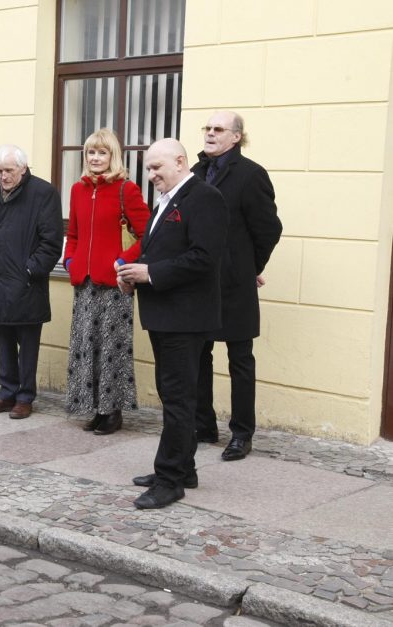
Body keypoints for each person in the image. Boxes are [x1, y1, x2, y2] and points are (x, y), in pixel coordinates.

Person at [116, 138, 227, 510]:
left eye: (156, 168)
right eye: (148, 169)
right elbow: (157, 250)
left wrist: (151, 273)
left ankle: (169, 480)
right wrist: (134, 274)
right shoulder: (168, 199)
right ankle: (185, 467)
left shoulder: (204, 197)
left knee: (178, 400)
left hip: (186, 317)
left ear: (179, 162)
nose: (151, 176)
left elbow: (203, 258)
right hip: (166, 314)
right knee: (174, 396)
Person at [192, 111, 282, 461]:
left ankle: (242, 434)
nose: (211, 134)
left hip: (234, 286)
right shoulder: (197, 173)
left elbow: (268, 229)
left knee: (240, 360)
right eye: (208, 128)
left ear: (236, 137)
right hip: (199, 284)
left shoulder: (250, 174)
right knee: (199, 355)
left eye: (219, 129)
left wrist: (248, 268)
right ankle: (203, 425)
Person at [62, 129, 150, 435]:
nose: (95, 158)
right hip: (84, 284)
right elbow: (72, 234)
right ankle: (94, 407)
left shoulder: (127, 189)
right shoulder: (77, 190)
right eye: (90, 152)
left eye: (102, 152)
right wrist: (70, 261)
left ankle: (112, 411)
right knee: (87, 346)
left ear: (113, 156)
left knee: (112, 348)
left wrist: (124, 261)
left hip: (114, 285)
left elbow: (147, 235)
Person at [0, 145, 63, 419]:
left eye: (9, 171)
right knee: (3, 338)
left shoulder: (43, 193)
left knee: (28, 343)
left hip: (26, 283)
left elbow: (51, 243)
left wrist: (29, 270)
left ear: (23, 169)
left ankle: (25, 396)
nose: (3, 176)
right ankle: (6, 392)